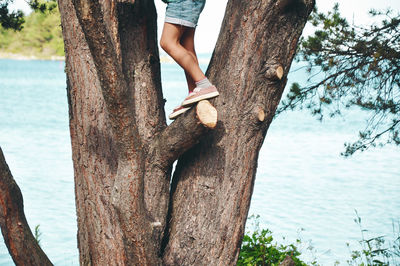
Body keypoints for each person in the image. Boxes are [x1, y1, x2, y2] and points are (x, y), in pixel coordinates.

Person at [160, 0, 219, 120]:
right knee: (186, 45)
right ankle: (194, 93)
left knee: (167, 42)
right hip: (187, 2)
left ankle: (204, 85)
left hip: (182, 2)